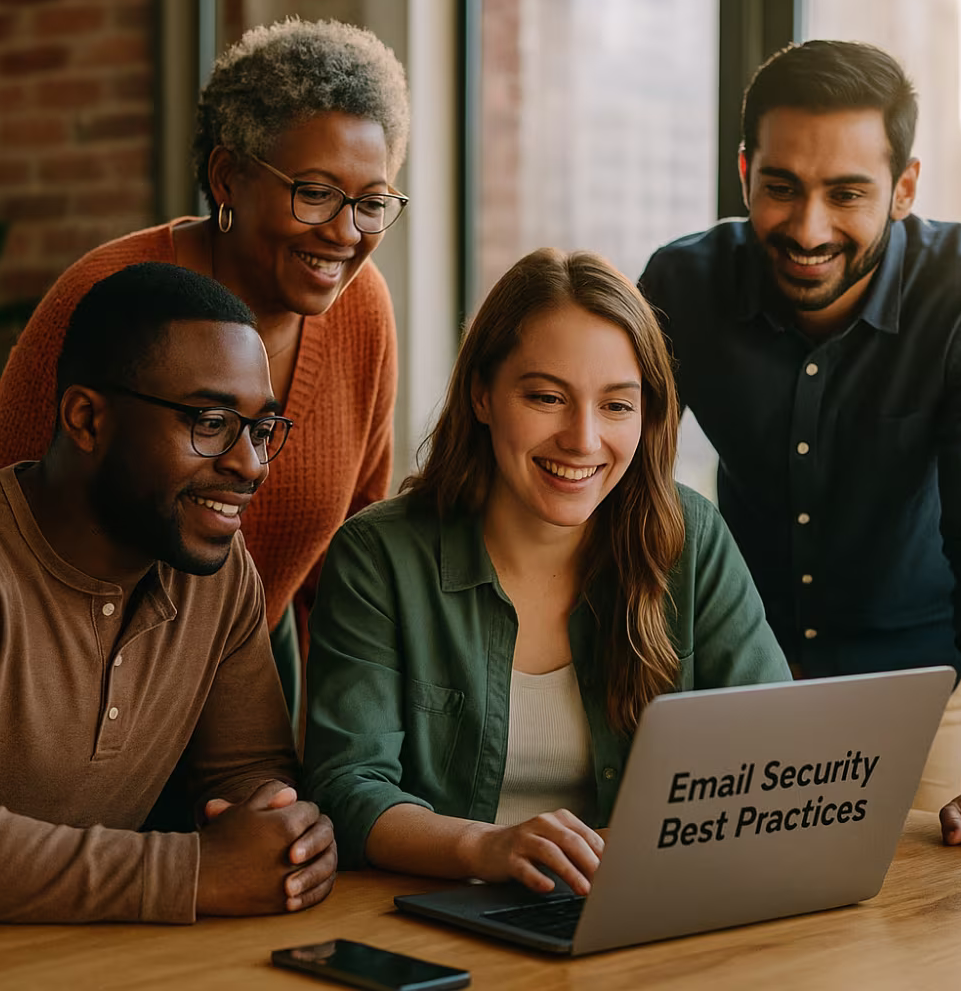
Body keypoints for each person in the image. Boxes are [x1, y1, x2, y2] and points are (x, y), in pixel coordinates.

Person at [0, 264, 336, 940]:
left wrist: (290, 838)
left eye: (261, 429)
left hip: (68, 959)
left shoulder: (218, 574)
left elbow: (250, 780)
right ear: (87, 419)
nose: (251, 464)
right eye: (210, 421)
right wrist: (194, 871)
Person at [639, 41, 961, 857]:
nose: (807, 229)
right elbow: (617, 482)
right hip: (730, 690)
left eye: (847, 194)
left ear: (903, 188)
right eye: (782, 188)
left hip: (912, 705)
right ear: (744, 174)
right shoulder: (681, 286)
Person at [301, 249, 790, 893]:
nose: (583, 439)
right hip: (438, 916)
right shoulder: (378, 555)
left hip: (638, 908)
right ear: (482, 394)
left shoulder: (689, 538)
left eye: (617, 405)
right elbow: (346, 787)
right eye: (546, 397)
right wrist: (485, 847)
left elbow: (779, 758)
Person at [0, 18, 411, 725]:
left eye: (371, 202)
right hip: (70, 693)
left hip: (252, 691)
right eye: (315, 192)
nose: (345, 232)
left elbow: (347, 555)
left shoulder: (364, 310)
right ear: (226, 177)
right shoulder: (111, 293)